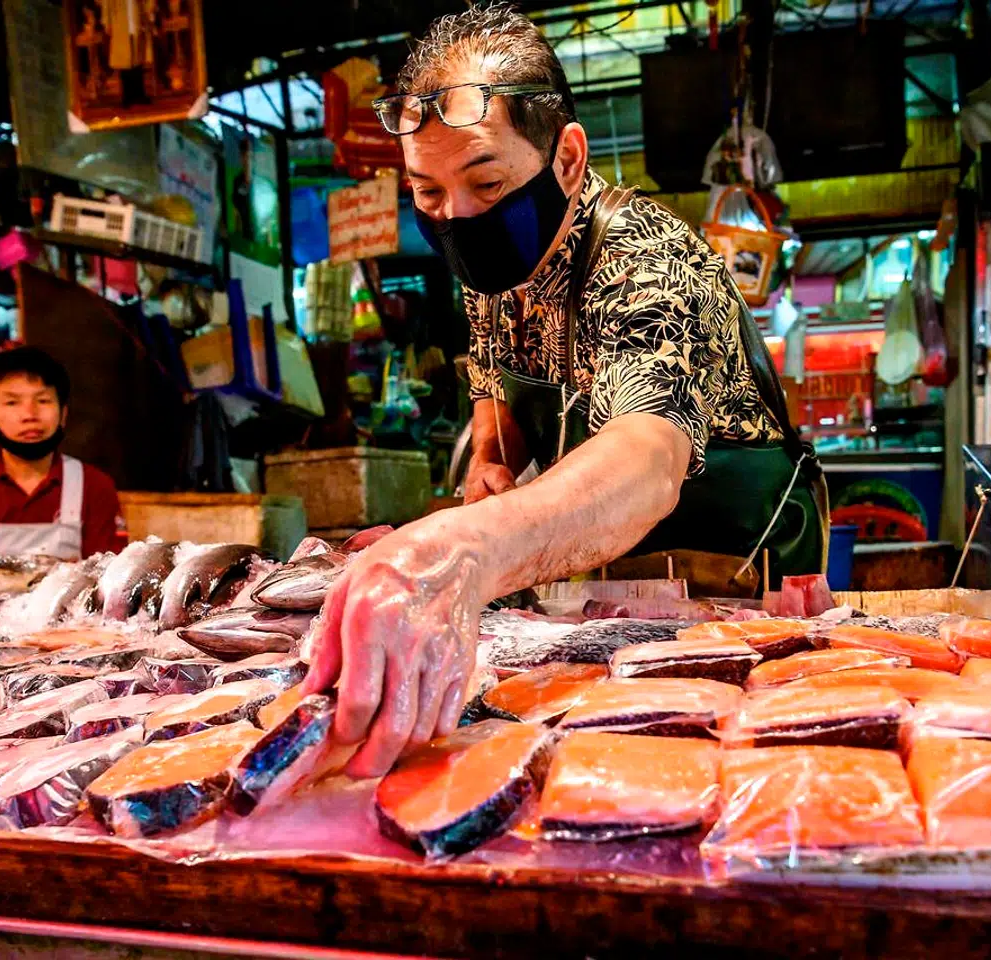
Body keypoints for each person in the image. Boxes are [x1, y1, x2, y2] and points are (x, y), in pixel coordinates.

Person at [299, 4, 826, 777]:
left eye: (486, 182)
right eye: (428, 193)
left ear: (568, 159)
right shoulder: (490, 268)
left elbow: (646, 460)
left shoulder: (650, 260)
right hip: (611, 594)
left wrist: (472, 548)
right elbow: (492, 382)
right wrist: (491, 458)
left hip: (744, 580)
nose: (458, 218)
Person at [0, 347, 128, 591]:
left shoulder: (95, 485)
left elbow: (108, 582)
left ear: (63, 415)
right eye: (12, 402)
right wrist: (61, 571)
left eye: (43, 401)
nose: (29, 415)